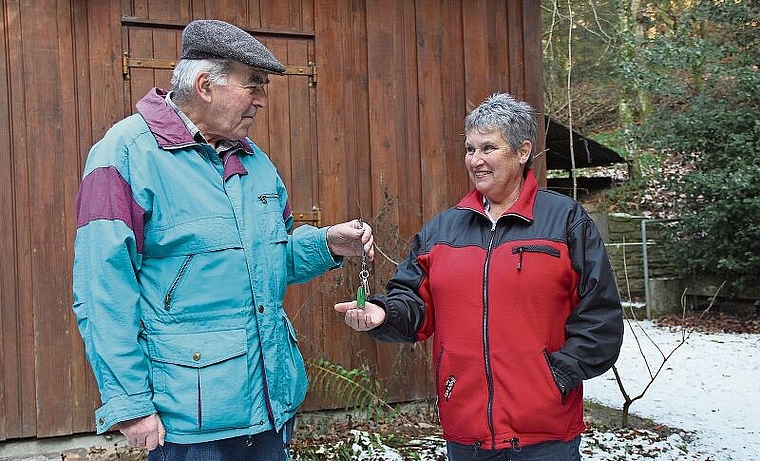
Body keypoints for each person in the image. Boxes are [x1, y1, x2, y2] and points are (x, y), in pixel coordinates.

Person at [72, 19, 373, 461]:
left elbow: (269, 258)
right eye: (253, 84)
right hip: (191, 424)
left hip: (271, 406)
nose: (262, 101)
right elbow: (103, 291)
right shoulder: (124, 155)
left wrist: (327, 244)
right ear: (205, 85)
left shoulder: (256, 162)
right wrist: (131, 403)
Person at [335, 93, 623, 460]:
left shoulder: (565, 221)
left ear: (522, 152)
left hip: (544, 434)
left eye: (489, 148)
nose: (476, 160)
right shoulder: (441, 230)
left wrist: (558, 377)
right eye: (470, 149)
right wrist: (383, 314)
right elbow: (412, 303)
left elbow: (601, 317)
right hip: (466, 429)